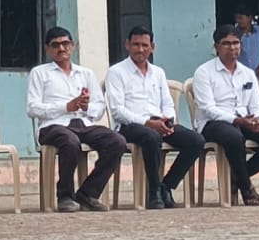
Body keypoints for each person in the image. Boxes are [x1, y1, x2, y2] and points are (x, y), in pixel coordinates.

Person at [26, 26, 126, 212]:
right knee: (70, 141)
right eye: (55, 45)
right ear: (48, 49)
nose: (61, 48)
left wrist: (86, 106)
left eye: (65, 44)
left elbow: (99, 107)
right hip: (52, 126)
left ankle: (88, 193)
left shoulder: (85, 73)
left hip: (83, 124)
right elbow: (32, 108)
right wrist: (66, 107)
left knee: (117, 141)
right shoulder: (39, 73)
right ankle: (65, 196)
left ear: (73, 46)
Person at [191, 24, 259, 206]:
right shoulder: (204, 72)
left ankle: (237, 177)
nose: (232, 47)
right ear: (216, 47)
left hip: (244, 120)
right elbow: (207, 108)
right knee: (235, 137)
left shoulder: (247, 73)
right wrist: (237, 120)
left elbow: (257, 104)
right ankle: (246, 187)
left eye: (236, 43)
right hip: (213, 123)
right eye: (226, 43)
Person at [105, 26, 204, 209]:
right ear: (127, 45)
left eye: (145, 45)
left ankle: (166, 186)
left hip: (159, 123)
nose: (140, 49)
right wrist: (147, 123)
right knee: (151, 136)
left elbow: (167, 103)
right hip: (130, 126)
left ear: (152, 47)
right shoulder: (116, 72)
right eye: (136, 44)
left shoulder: (158, 72)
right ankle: (154, 191)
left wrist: (167, 120)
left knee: (196, 140)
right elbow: (118, 110)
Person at [234, 7, 259, 77]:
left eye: (240, 18)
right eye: (236, 18)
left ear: (249, 18)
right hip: (241, 72)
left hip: (258, 70)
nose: (238, 21)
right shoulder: (234, 33)